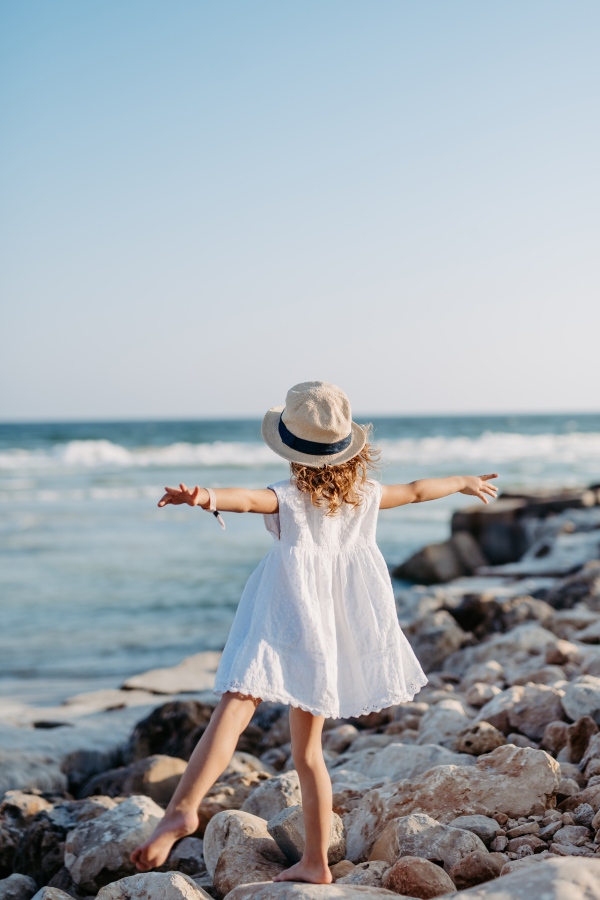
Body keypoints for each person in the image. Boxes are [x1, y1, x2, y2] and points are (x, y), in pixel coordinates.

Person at [131, 381, 498, 882]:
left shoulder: (288, 497)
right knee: (308, 754)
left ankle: (183, 807)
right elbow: (416, 492)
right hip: (329, 631)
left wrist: (205, 496)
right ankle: (316, 863)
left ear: (292, 451)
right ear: (348, 449)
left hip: (284, 618)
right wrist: (463, 481)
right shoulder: (366, 497)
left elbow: (242, 500)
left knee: (235, 707)